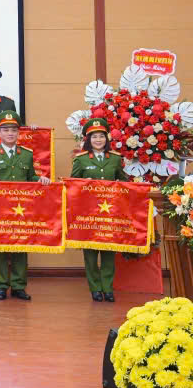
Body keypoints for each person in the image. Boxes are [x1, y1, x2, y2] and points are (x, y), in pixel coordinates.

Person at [0, 110, 50, 301]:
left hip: (21, 210)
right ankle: (1, 285)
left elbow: (30, 177)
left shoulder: (26, 154)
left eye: (13, 130)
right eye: (6, 130)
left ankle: (19, 286)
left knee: (20, 246)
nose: (10, 133)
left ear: (19, 133)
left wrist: (40, 179)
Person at [71, 117, 123, 303]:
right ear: (88, 139)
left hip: (110, 214)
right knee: (91, 254)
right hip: (88, 214)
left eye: (101, 136)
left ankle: (107, 288)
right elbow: (73, 185)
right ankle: (95, 288)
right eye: (94, 137)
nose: (98, 140)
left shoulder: (115, 159)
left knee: (109, 251)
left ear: (106, 139)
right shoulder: (81, 159)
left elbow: (123, 182)